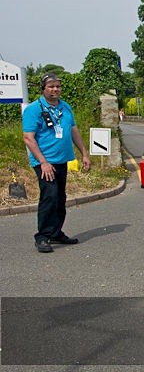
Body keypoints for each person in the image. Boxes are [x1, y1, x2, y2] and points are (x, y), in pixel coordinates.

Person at [22, 73, 91, 253]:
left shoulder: (65, 107)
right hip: (44, 162)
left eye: (58, 86)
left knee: (60, 197)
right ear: (43, 89)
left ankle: (56, 232)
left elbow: (73, 131)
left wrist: (84, 153)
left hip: (61, 160)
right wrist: (43, 162)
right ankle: (43, 236)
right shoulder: (34, 109)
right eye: (51, 86)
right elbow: (28, 138)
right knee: (50, 195)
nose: (55, 89)